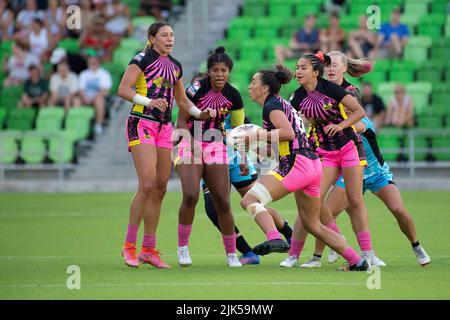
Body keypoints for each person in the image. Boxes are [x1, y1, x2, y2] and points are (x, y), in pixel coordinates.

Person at [240, 65, 368, 271]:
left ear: (264, 88)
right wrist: (251, 147)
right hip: (311, 165)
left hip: (296, 164)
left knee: (249, 199)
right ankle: (357, 260)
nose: (250, 86)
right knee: (313, 225)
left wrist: (255, 136)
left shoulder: (271, 105)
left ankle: (274, 237)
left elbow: (288, 134)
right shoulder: (279, 104)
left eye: (254, 82)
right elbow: (278, 149)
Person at [117, 22, 214, 269]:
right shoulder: (141, 59)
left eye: (172, 35)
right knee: (147, 184)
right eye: (164, 35)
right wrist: (149, 101)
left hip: (164, 128)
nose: (170, 39)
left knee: (160, 188)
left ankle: (149, 249)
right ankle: (129, 246)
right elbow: (123, 89)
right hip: (141, 123)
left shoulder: (175, 66)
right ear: (152, 38)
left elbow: (181, 99)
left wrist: (199, 113)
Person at [285, 51, 375, 269]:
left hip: (349, 147)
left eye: (303, 68)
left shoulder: (332, 89)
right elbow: (291, 125)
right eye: (297, 67)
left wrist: (341, 125)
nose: (298, 71)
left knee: (355, 200)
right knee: (312, 201)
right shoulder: (296, 97)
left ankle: (368, 253)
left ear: (316, 72)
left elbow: (359, 112)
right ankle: (295, 255)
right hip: (324, 152)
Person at [304, 116, 432, 267]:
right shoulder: (336, 119)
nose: (343, 110)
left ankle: (417, 247)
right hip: (351, 173)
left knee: (398, 209)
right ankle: (317, 257)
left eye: (347, 107)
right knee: (327, 214)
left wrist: (336, 125)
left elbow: (356, 127)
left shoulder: (363, 122)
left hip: (376, 173)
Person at [174, 47, 245, 268]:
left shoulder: (233, 95)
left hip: (216, 145)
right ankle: (183, 248)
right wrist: (190, 141)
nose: (220, 74)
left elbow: (238, 128)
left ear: (229, 72)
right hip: (191, 143)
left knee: (223, 201)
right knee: (191, 195)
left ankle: (231, 253)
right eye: (215, 70)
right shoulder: (196, 88)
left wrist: (242, 156)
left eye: (224, 70)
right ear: (209, 71)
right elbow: (181, 122)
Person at [78, 55, 112, 135]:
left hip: (98, 97)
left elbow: (105, 91)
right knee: (76, 101)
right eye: (91, 62)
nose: (93, 64)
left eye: (94, 62)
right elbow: (81, 89)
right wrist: (84, 97)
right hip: (85, 97)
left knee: (99, 101)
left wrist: (93, 98)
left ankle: (98, 124)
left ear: (98, 63)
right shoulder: (83, 74)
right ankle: (80, 125)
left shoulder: (104, 74)